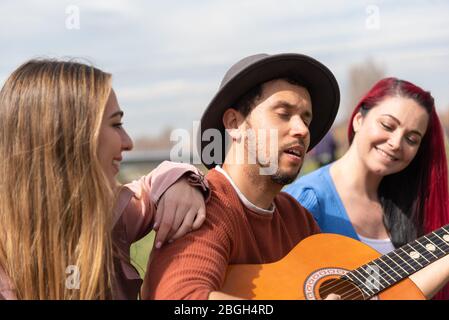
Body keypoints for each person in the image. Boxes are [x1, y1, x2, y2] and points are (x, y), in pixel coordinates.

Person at [0, 59, 210, 300]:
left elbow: (156, 182)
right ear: (68, 136)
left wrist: (181, 181)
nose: (128, 142)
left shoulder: (112, 214)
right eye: (116, 124)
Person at [142, 53, 342, 300]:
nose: (301, 130)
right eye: (283, 113)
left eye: (305, 119)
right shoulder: (202, 207)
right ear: (234, 124)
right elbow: (183, 299)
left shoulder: (297, 218)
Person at [285, 77, 449, 299]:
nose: (396, 143)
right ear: (359, 120)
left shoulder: (406, 206)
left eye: (412, 139)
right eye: (388, 126)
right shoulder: (305, 200)